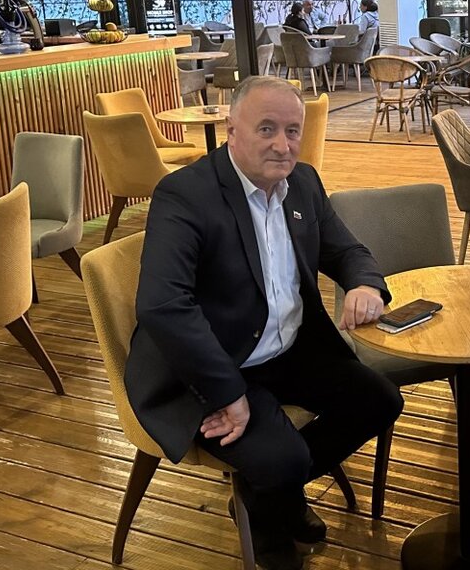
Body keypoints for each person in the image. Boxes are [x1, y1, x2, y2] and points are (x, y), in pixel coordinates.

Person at [125, 76, 404, 570]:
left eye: (293, 130)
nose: (283, 144)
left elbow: (348, 251)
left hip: (287, 349)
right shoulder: (185, 194)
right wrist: (227, 392)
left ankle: (264, 498)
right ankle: (275, 527)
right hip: (210, 363)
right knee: (283, 458)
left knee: (380, 400)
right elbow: (163, 305)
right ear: (232, 130)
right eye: (267, 129)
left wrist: (364, 284)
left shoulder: (304, 183)